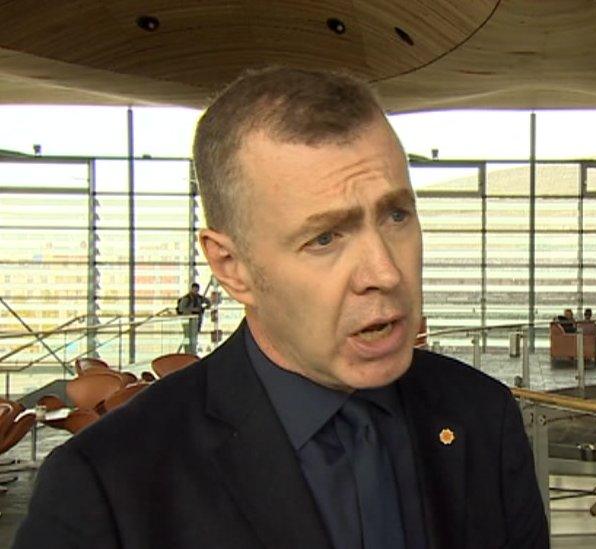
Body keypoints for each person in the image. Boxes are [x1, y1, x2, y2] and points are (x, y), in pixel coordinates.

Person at [14, 67, 548, 549]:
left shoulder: (481, 415)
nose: (385, 273)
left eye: (395, 216)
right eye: (324, 239)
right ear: (231, 266)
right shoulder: (106, 484)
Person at [176, 282, 211, 354]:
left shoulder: (199, 298)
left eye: (197, 290)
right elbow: (181, 309)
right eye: (194, 289)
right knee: (188, 336)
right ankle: (188, 352)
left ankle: (193, 351)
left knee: (194, 336)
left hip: (196, 320)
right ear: (191, 289)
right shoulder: (186, 298)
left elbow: (208, 302)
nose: (195, 291)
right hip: (188, 320)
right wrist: (193, 309)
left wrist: (205, 307)